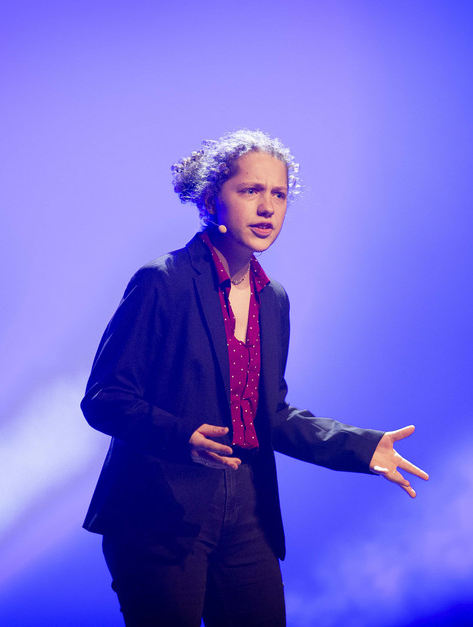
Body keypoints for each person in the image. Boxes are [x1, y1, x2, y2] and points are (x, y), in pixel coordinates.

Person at [81, 129, 428, 626]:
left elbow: (271, 415)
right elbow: (105, 397)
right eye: (250, 191)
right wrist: (182, 437)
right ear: (210, 200)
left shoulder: (273, 298)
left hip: (246, 510)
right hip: (161, 511)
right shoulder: (164, 281)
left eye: (279, 194)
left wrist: (360, 447)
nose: (267, 207)